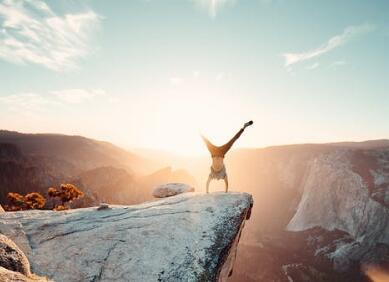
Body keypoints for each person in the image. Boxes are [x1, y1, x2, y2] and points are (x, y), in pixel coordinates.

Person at [202, 121, 253, 193]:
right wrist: (226, 192)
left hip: (214, 153)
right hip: (221, 153)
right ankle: (244, 127)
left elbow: (207, 183)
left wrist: (207, 192)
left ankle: (197, 130)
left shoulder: (212, 175)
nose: (217, 179)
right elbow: (226, 184)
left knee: (205, 140)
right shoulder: (223, 174)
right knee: (233, 140)